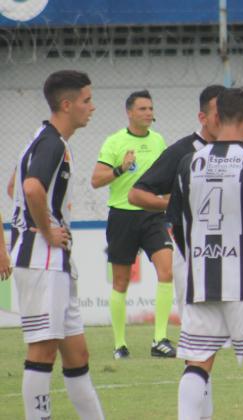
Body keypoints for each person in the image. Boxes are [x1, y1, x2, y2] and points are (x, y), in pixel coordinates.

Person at [169, 87, 243, 420]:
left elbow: (176, 225)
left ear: (216, 117)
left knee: (197, 362)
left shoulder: (186, 163)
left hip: (203, 283)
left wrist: (195, 258)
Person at [6, 70, 104, 419]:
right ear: (67, 104)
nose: (92, 107)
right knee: (42, 350)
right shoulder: (51, 143)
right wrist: (46, 230)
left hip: (55, 264)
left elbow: (13, 187)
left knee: (77, 355)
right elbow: (30, 188)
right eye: (86, 100)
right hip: (41, 261)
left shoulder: (43, 138)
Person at [128, 84, 225, 419]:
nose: (225, 119)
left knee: (237, 349)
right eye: (218, 113)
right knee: (200, 346)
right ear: (203, 116)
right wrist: (170, 202)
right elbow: (137, 194)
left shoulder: (236, 152)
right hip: (194, 260)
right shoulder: (184, 152)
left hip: (231, 260)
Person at [90, 90, 175, 359]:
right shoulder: (115, 142)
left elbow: (167, 178)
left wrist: (169, 202)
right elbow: (95, 179)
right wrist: (120, 169)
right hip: (122, 217)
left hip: (152, 216)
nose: (149, 113)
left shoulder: (159, 140)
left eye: (150, 108)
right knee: (121, 281)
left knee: (167, 271)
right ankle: (119, 345)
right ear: (129, 112)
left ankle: (160, 339)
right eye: (142, 109)